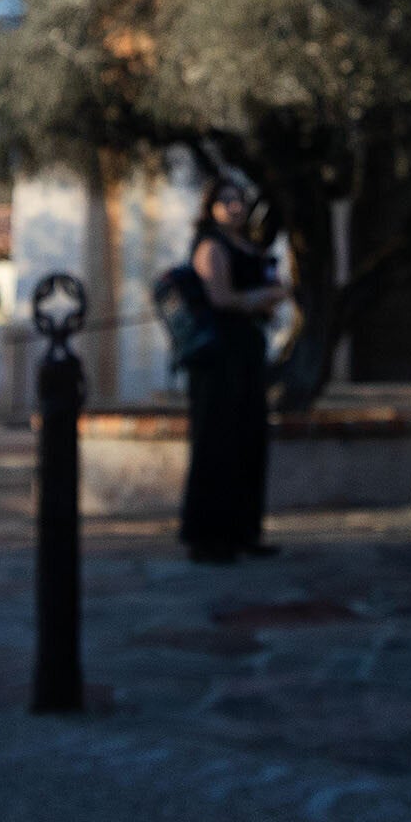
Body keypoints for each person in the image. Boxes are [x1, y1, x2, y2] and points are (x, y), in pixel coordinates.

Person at [181, 177, 286, 565]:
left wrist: (267, 299)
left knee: (249, 440)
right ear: (210, 207)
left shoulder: (248, 245)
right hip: (217, 357)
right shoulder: (212, 246)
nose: (234, 206)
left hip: (246, 353)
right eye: (225, 200)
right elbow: (221, 297)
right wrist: (266, 296)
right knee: (215, 445)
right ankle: (207, 538)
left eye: (238, 199)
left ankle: (245, 532)